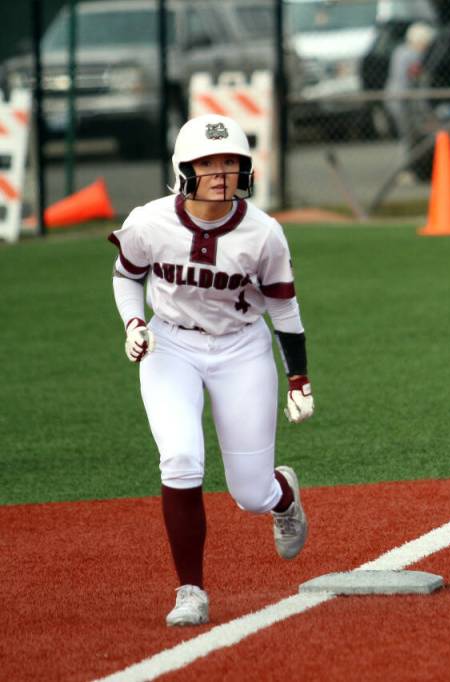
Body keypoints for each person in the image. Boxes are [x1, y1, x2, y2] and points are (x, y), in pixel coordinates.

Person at [108, 114, 313, 627]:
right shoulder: (149, 221)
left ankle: (282, 496)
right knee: (180, 459)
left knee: (250, 494)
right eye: (208, 163)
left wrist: (299, 377)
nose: (221, 173)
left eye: (230, 162)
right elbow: (126, 276)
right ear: (183, 169)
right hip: (169, 343)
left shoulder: (264, 232)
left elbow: (285, 309)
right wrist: (133, 322)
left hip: (242, 348)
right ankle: (190, 590)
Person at [386, 21, 435, 167]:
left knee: (407, 136)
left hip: (394, 96)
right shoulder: (414, 55)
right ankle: (406, 167)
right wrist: (426, 111)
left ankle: (409, 166)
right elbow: (416, 81)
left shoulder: (400, 51)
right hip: (403, 99)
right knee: (408, 136)